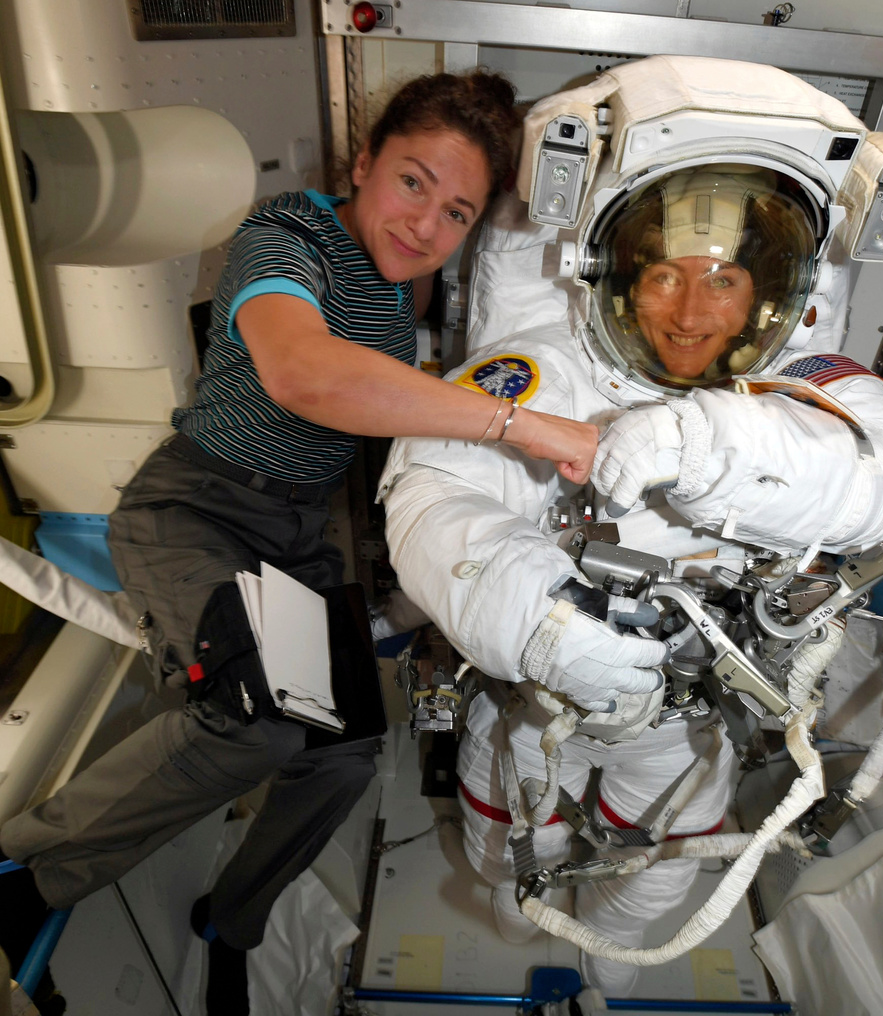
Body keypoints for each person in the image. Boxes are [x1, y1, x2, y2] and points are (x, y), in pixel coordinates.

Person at [0, 69, 597, 1014]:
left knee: (343, 758)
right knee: (257, 718)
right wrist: (523, 427)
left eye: (455, 211)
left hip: (294, 536)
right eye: (411, 182)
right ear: (363, 163)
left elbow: (395, 386)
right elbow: (302, 372)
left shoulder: (410, 284)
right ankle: (25, 872)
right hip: (195, 509)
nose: (423, 225)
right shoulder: (288, 232)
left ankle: (231, 922)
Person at [379, 56, 883, 997]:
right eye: (663, 276)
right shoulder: (543, 368)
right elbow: (430, 491)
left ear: (770, 289)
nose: (689, 314)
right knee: (506, 845)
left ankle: (610, 970)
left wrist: (710, 439)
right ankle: (522, 926)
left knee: (663, 870)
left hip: (687, 728)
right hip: (537, 699)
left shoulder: (802, 384)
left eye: (722, 281)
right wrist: (543, 620)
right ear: (615, 272)